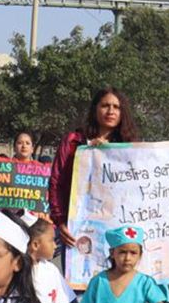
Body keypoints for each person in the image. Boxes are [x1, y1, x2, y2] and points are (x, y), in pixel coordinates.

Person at [50, 88, 139, 249]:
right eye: (105, 105)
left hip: (118, 231)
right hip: (78, 228)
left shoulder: (130, 148)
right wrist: (61, 221)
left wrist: (111, 153)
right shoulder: (73, 142)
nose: (110, 111)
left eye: (116, 107)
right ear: (95, 109)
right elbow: (57, 183)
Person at [24, 216, 79, 303]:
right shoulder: (14, 270)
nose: (55, 245)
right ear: (35, 244)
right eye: (52, 240)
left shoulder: (50, 271)